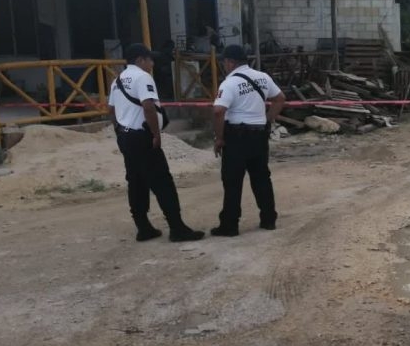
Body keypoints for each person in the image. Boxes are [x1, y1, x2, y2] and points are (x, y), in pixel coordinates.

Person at [109, 44, 205, 243]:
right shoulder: (142, 77)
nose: (152, 64)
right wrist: (156, 135)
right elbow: (148, 107)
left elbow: (111, 109)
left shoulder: (117, 81)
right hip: (143, 137)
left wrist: (119, 131)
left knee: (136, 182)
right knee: (162, 182)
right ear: (140, 60)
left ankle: (143, 227)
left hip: (126, 137)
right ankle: (177, 228)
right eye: (149, 59)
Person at [211, 45, 286, 237]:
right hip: (259, 135)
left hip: (236, 137)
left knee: (232, 181)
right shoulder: (263, 77)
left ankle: (230, 224)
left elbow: (218, 111)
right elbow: (280, 98)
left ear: (230, 62)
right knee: (261, 178)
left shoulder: (229, 83)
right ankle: (269, 219)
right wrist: (267, 120)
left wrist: (219, 138)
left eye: (224, 62)